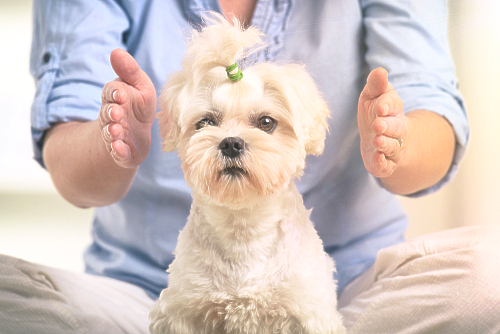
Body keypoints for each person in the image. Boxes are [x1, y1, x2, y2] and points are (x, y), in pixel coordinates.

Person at [1, 0, 498, 333]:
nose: (232, 142)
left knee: (489, 273)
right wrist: (111, 142)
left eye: (263, 122)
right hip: (145, 293)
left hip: (349, 292)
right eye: (207, 122)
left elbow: (431, 104)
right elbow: (68, 150)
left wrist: (397, 141)